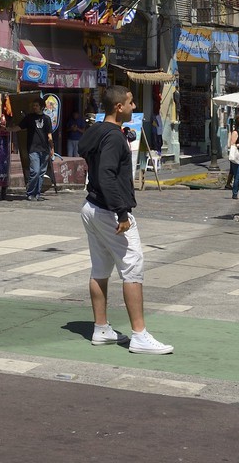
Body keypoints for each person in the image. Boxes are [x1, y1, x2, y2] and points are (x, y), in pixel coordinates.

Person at [81, 85, 171, 355]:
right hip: (110, 210)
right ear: (119, 107)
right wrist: (121, 213)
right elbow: (108, 174)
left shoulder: (96, 130)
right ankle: (140, 334)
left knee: (100, 269)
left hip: (91, 206)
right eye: (131, 102)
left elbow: (89, 155)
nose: (134, 107)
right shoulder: (113, 138)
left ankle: (101, 328)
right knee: (133, 268)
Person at [18, 94, 53, 201]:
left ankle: (37, 193)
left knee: (41, 173)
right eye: (34, 105)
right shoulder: (29, 118)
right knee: (35, 171)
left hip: (44, 150)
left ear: (42, 107)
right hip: (33, 149)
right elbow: (19, 127)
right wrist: (8, 129)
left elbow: (49, 135)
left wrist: (52, 149)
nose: (34, 107)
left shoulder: (47, 119)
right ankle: (30, 193)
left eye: (36, 105)